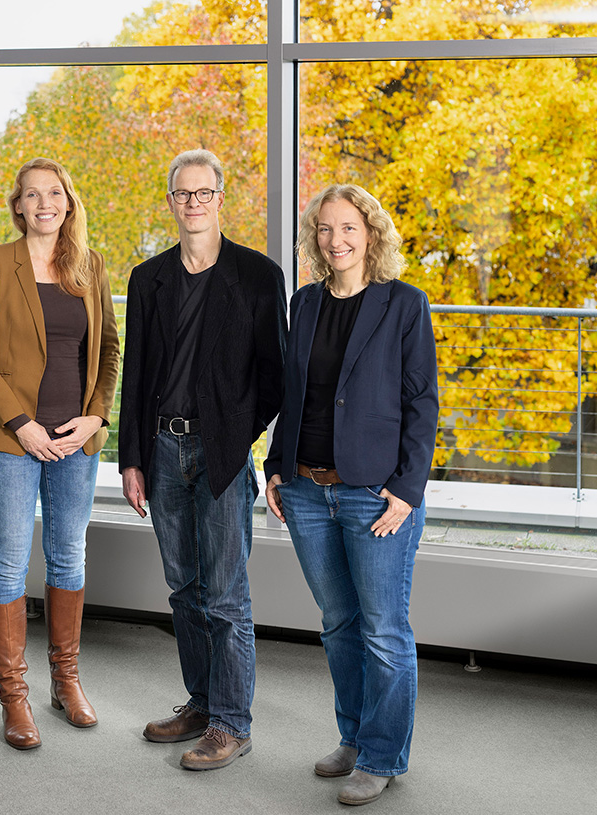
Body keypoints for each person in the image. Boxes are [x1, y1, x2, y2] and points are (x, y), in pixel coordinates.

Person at [264, 184, 438, 806]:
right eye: (325, 229)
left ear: (370, 235)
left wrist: (407, 490)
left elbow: (422, 403)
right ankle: (354, 737)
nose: (336, 240)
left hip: (375, 494)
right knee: (339, 625)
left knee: (384, 630)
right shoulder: (305, 302)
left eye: (348, 228)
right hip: (306, 489)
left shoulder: (404, 304)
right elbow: (293, 394)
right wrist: (275, 467)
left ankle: (383, 756)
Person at [119, 149, 287, 771]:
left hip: (221, 454)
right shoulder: (148, 278)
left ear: (220, 199)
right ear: (171, 202)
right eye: (182, 194)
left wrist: (236, 435)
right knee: (183, 589)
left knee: (226, 595)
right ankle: (201, 702)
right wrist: (131, 460)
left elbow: (274, 377)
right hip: (162, 450)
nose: (193, 203)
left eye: (203, 193)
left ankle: (231, 723)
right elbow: (136, 376)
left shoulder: (257, 276)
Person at [0, 158, 120, 750]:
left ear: (68, 202)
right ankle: (14, 697)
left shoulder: (91, 265)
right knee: (8, 564)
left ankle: (66, 681)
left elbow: (109, 350)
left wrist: (96, 417)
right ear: (18, 206)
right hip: (12, 441)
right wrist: (22, 424)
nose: (44, 203)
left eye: (54, 192)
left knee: (68, 558)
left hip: (76, 442)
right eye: (32, 194)